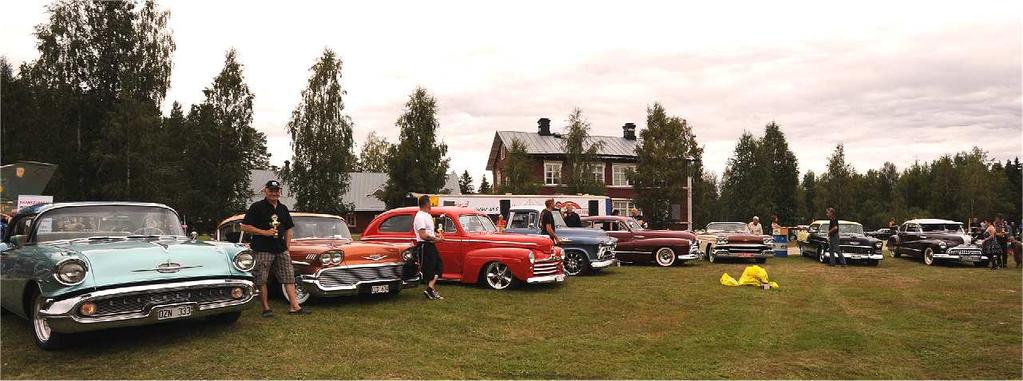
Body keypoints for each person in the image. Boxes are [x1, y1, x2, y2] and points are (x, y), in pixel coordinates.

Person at [241, 180, 308, 317]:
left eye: (276, 190)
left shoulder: (283, 208)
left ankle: (295, 306)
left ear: (280, 192)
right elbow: (244, 226)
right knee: (262, 279)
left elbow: (289, 228)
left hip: (280, 249)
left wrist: (287, 247)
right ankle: (266, 308)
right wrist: (264, 232)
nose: (274, 193)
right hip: (262, 249)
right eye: (271, 190)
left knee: (289, 277)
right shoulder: (256, 207)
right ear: (265, 191)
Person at [414, 195, 445, 300]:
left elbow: (430, 231)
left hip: (431, 244)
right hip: (424, 245)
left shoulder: (428, 215)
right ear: (426, 203)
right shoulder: (419, 216)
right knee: (429, 269)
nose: (431, 205)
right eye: (430, 202)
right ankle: (430, 290)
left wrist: (438, 235)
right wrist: (437, 240)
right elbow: (423, 235)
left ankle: (430, 288)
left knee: (439, 265)